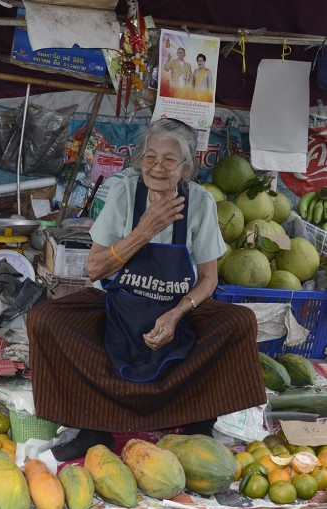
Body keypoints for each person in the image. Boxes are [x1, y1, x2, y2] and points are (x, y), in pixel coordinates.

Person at [27, 118, 266, 461]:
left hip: (175, 310)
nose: (157, 167)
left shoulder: (200, 203)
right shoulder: (124, 193)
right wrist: (144, 230)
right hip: (118, 307)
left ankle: (198, 424)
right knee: (45, 319)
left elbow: (209, 279)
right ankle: (93, 428)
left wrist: (177, 312)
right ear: (140, 161)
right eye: (150, 157)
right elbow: (94, 268)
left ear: (186, 167)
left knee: (239, 322)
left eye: (169, 159)